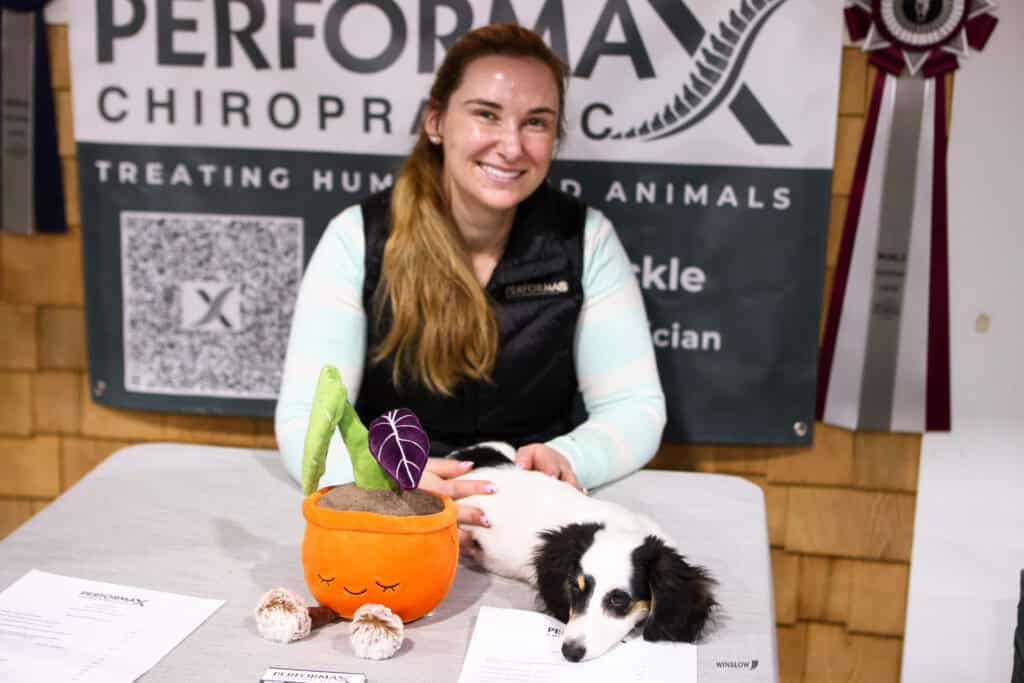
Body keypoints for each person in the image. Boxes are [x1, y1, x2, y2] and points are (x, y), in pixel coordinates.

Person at [276, 23, 666, 545]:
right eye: (486, 114)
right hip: (390, 513)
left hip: (529, 512)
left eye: (536, 122)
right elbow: (308, 414)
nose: (511, 146)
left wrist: (567, 460)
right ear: (436, 121)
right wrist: (392, 475)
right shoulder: (358, 236)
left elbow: (636, 406)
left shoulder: (585, 237)